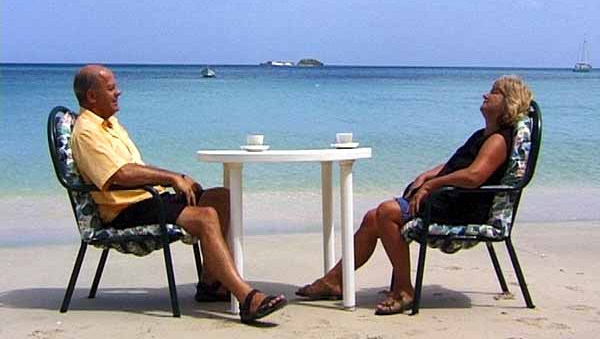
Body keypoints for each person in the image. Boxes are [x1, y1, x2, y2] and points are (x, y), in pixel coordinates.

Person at [296, 75, 534, 315]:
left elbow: (474, 176)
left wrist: (431, 186)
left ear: (508, 103)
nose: (486, 95)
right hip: (451, 198)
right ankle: (335, 280)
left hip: (463, 207)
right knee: (372, 218)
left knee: (387, 213)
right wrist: (427, 175)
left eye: (494, 92)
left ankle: (404, 289)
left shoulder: (498, 141)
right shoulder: (481, 136)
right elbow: (455, 165)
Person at [70, 64, 286, 323]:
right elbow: (119, 175)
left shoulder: (110, 124)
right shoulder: (86, 133)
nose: (119, 92)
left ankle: (211, 285)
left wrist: (178, 179)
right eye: (111, 88)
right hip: (124, 210)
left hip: (146, 198)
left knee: (221, 199)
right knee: (205, 216)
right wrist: (171, 178)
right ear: (92, 96)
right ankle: (247, 298)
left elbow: (134, 166)